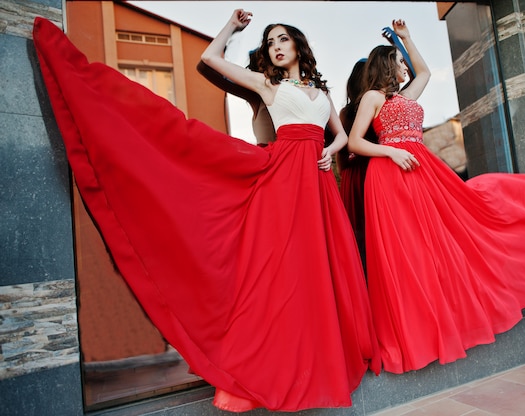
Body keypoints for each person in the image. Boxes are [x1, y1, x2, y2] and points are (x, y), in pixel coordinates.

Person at [32, 9, 379, 414]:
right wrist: (232, 27)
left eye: (282, 39)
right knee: (278, 273)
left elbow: (340, 136)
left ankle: (321, 358)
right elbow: (212, 59)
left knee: (317, 269)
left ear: (298, 45)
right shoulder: (267, 84)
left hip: (317, 186)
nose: (276, 47)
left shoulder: (322, 93)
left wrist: (327, 154)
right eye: (270, 42)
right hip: (283, 182)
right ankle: (266, 367)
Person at [348, 19, 525, 374]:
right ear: (386, 64)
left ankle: (444, 319)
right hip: (390, 175)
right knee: (408, 250)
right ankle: (415, 333)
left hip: (422, 170)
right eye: (399, 63)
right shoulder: (372, 97)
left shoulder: (404, 96)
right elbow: (355, 142)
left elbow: (425, 72)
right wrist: (391, 153)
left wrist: (407, 39)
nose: (404, 68)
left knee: (446, 236)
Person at [336, 58, 377, 273]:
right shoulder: (375, 104)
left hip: (356, 174)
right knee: (369, 233)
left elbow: (342, 160)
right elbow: (342, 157)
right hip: (368, 172)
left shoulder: (347, 112)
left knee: (362, 235)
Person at [196, 48, 276, 146]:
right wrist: (227, 38)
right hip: (270, 158)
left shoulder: (295, 89)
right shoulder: (256, 96)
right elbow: (203, 67)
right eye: (263, 65)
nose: (268, 70)